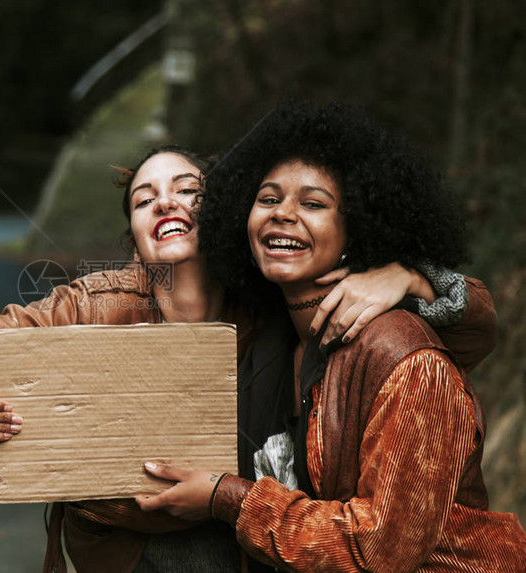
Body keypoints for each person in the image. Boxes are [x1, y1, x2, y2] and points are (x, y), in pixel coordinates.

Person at [0, 145, 495, 573]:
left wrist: (414, 276)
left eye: (189, 188)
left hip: (270, 553)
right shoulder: (88, 305)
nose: (167, 202)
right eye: (144, 197)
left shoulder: (276, 296)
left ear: (221, 209)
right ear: (133, 234)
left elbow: (457, 335)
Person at [133, 102, 526, 571]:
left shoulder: (406, 359)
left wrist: (229, 498)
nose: (284, 214)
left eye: (314, 203)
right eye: (268, 198)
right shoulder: (267, 333)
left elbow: (379, 549)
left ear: (357, 226)